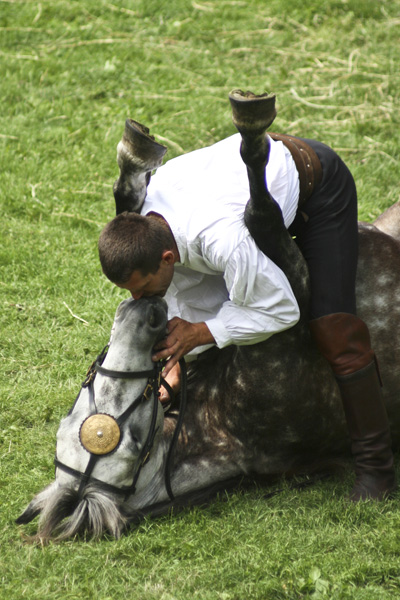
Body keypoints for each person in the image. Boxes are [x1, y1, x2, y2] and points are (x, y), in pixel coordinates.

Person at [98, 129, 395, 501]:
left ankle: (377, 469)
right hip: (241, 192)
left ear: (167, 258)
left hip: (316, 188)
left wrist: (201, 333)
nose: (138, 297)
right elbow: (185, 294)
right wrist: (178, 361)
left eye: (140, 287)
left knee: (336, 331)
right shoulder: (147, 226)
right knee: (206, 298)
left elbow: (280, 310)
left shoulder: (222, 240)